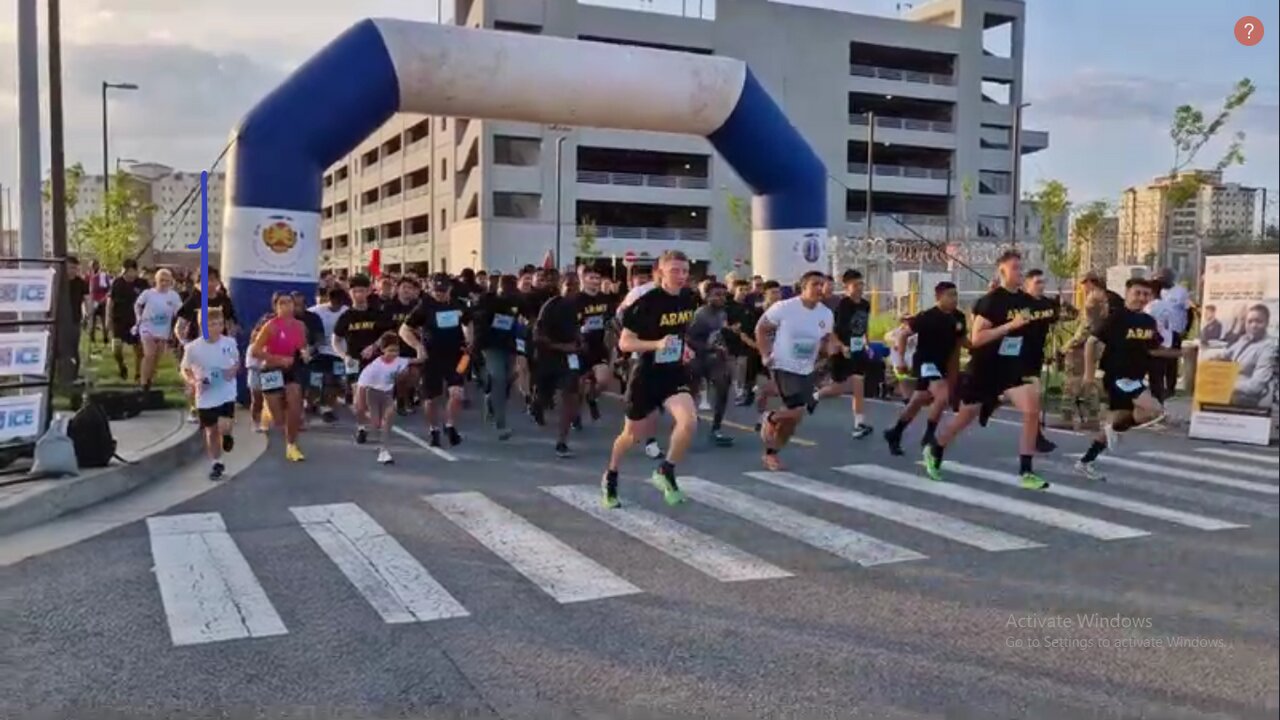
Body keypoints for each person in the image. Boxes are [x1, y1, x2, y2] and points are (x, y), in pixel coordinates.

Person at [924, 250, 1048, 490]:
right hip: (984, 368)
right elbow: (977, 337)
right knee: (965, 417)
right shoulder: (992, 301)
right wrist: (1009, 326)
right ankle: (936, 448)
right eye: (1015, 268)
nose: (1020, 272)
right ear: (1002, 271)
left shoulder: (1024, 300)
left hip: (1011, 368)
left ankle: (1026, 471)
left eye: (1021, 268)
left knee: (1032, 409)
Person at [602, 251, 699, 509]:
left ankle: (666, 471)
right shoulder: (646, 303)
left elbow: (678, 333)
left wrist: (684, 348)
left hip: (673, 372)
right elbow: (625, 343)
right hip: (645, 373)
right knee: (631, 436)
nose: (682, 276)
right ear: (661, 273)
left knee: (688, 421)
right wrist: (657, 343)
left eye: (685, 271)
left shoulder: (690, 299)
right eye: (675, 271)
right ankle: (611, 475)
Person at [1075, 279, 1192, 480]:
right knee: (1154, 411)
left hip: (1135, 377)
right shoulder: (1117, 317)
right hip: (1117, 376)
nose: (1141, 298)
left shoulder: (1148, 321)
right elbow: (1092, 342)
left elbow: (1154, 350)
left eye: (1146, 294)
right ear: (1127, 293)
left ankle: (1086, 461)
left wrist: (1183, 354)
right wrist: (1088, 374)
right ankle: (1112, 428)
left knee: (1121, 420)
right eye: (1137, 293)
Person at [754, 271, 836, 471]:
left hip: (807, 368)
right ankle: (771, 417)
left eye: (822, 285)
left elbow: (825, 340)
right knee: (797, 411)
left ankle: (771, 453)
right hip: (783, 365)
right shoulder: (784, 307)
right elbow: (761, 329)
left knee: (792, 422)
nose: (820, 288)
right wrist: (765, 354)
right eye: (815, 284)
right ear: (803, 286)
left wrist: (829, 351)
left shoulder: (826, 314)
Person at [883, 281, 968, 455]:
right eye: (950, 295)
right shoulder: (927, 316)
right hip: (925, 363)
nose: (954, 299)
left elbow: (961, 342)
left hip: (942, 364)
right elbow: (903, 335)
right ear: (938, 297)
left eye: (956, 295)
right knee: (942, 396)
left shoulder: (959, 317)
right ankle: (929, 435)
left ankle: (895, 432)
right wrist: (900, 360)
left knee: (918, 400)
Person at [400, 274, 473, 448]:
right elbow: (404, 330)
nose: (439, 294)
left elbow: (468, 323)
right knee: (432, 398)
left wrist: (469, 340)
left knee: (457, 393)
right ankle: (433, 429)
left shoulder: (458, 305)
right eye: (436, 291)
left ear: (450, 289)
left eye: (443, 291)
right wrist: (418, 346)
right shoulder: (424, 306)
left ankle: (450, 425)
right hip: (431, 357)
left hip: (456, 355)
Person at [180, 308, 240, 480]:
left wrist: (233, 370)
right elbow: (185, 369)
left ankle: (227, 435)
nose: (217, 328)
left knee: (224, 426)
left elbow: (236, 361)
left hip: (226, 390)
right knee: (211, 431)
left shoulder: (229, 343)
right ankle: (216, 462)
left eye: (220, 324)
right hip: (206, 393)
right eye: (212, 324)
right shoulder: (193, 348)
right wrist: (194, 382)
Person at [813, 269, 874, 438]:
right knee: (838, 389)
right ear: (846, 287)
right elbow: (831, 329)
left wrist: (867, 343)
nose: (860, 288)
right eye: (856, 285)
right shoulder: (843, 305)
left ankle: (859, 423)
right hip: (842, 349)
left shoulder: (865, 304)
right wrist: (841, 346)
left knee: (858, 384)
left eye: (861, 284)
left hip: (857, 348)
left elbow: (864, 325)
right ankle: (815, 396)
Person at [249, 292, 309, 462]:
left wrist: (304, 353)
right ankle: (268, 413)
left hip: (291, 370)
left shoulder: (300, 326)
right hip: (271, 370)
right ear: (276, 307)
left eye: (289, 302)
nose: (286, 306)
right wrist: (278, 360)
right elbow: (255, 351)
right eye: (282, 303)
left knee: (295, 405)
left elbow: (302, 346)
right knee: (279, 420)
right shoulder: (270, 326)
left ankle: (291, 446)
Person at [334, 275, 395, 443]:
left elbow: (388, 333)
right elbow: (336, 340)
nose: (358, 294)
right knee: (358, 397)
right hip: (354, 362)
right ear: (350, 293)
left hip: (376, 361)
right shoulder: (346, 316)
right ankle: (361, 428)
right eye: (355, 291)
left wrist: (374, 346)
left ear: (368, 291)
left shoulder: (377, 313)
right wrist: (344, 356)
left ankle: (378, 417)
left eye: (362, 291)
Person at [534, 273, 587, 457]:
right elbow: (538, 336)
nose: (572, 288)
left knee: (571, 396)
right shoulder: (550, 306)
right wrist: (562, 346)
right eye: (568, 284)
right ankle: (537, 403)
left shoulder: (579, 305)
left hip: (569, 360)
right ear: (560, 286)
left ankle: (562, 441)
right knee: (544, 397)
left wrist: (580, 341)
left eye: (575, 284)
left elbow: (579, 328)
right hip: (549, 358)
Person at [471, 274, 523, 439]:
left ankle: (489, 394)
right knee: (499, 381)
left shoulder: (518, 300)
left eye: (512, 286)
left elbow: (521, 321)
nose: (509, 290)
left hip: (509, 345)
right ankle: (501, 424)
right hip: (490, 346)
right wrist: (477, 347)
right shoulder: (486, 301)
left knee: (509, 378)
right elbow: (477, 324)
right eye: (505, 286)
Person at [686, 281, 735, 447]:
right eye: (717, 295)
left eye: (724, 295)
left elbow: (717, 334)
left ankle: (716, 428)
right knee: (690, 393)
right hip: (697, 358)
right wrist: (708, 347)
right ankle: (683, 426)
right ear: (706, 297)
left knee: (723, 387)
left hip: (715, 358)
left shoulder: (722, 314)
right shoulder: (699, 315)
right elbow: (689, 339)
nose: (722, 298)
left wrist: (723, 349)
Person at [355, 332, 413, 465]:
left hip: (387, 394)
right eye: (390, 350)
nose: (394, 353)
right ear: (382, 350)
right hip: (372, 393)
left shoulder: (400, 361)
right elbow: (362, 388)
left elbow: (417, 360)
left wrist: (419, 348)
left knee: (388, 418)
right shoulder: (373, 368)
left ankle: (384, 451)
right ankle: (367, 429)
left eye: (396, 350)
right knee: (376, 424)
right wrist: (362, 407)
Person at [1020, 269, 1061, 453]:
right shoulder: (1020, 303)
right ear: (1027, 284)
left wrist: (1058, 308)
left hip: (1036, 356)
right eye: (1037, 282)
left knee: (1033, 398)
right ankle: (1036, 436)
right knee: (1030, 397)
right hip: (1018, 355)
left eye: (1043, 282)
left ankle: (1036, 436)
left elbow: (1056, 321)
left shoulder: (1046, 304)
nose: (1041, 286)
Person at [576, 268, 617, 425]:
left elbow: (611, 320)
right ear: (584, 280)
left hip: (598, 345)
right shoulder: (576, 299)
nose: (595, 281)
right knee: (578, 387)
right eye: (591, 278)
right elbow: (569, 322)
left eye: (597, 278)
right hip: (579, 347)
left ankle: (592, 398)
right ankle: (576, 415)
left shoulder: (605, 299)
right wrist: (579, 329)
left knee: (604, 380)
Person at [133, 268, 183, 392]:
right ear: (156, 280)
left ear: (171, 282)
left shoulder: (173, 296)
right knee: (149, 354)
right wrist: (139, 317)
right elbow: (137, 305)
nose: (164, 283)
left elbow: (180, 312)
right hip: (147, 327)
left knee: (156, 358)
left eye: (167, 281)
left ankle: (149, 379)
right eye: (161, 280)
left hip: (162, 331)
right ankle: (143, 383)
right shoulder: (148, 293)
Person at [1218, 304, 1276, 407]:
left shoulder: (1268, 347)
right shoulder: (1244, 339)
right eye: (1249, 322)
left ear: (1267, 323)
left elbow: (1256, 386)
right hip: (1227, 390)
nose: (1253, 325)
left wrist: (1226, 384)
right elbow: (1225, 354)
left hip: (1245, 398)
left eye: (1259, 321)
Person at [309, 288, 349, 423]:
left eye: (338, 303)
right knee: (316, 379)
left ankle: (327, 408)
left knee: (333, 380)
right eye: (333, 302)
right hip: (320, 352)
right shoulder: (316, 311)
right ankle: (314, 402)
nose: (335, 305)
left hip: (338, 353)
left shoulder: (347, 312)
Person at [107, 259, 148, 381]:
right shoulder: (117, 283)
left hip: (136, 320)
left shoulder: (142, 284)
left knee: (139, 349)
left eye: (131, 271)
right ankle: (121, 366)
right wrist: (107, 319)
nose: (129, 274)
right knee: (116, 349)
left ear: (136, 271)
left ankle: (138, 374)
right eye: (126, 271)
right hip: (119, 320)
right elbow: (111, 302)